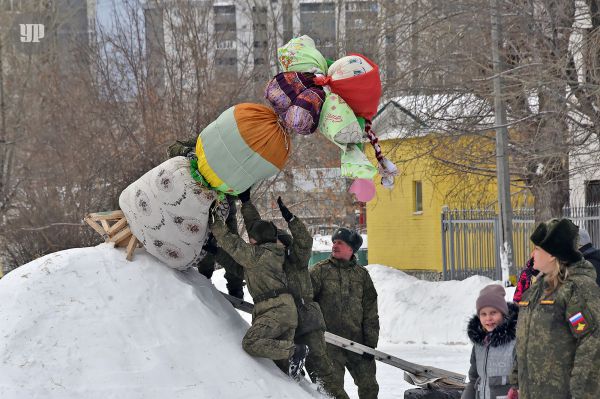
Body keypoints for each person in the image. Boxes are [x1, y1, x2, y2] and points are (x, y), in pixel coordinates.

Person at [240, 193, 350, 399]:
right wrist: (246, 203)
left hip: (306, 318)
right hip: (285, 318)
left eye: (278, 242)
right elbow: (255, 226)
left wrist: (291, 219)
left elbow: (304, 240)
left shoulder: (295, 257)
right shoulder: (268, 258)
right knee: (286, 376)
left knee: (322, 374)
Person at [208, 203, 308, 378]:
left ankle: (295, 351)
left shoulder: (257, 255)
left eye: (251, 237)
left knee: (251, 342)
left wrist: (215, 221)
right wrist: (215, 251)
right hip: (285, 311)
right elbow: (239, 269)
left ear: (258, 239)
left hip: (275, 310)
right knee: (280, 371)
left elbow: (232, 243)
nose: (249, 240)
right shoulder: (270, 255)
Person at [509, 218, 600, 399]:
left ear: (552, 254)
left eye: (537, 249)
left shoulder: (576, 289)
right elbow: (525, 339)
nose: (532, 254)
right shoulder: (536, 290)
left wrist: (583, 394)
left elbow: (590, 343)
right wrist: (516, 384)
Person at [166, 138, 245, 298]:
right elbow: (173, 148)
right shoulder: (205, 140)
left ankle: (236, 291)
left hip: (226, 206)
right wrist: (188, 153)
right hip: (204, 205)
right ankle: (204, 286)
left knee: (234, 249)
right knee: (206, 249)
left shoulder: (238, 153)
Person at [310, 227, 379, 399]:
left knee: (370, 387)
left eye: (340, 242)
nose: (335, 245)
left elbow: (371, 310)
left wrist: (370, 343)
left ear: (351, 248)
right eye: (334, 242)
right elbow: (306, 301)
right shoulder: (319, 271)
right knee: (333, 392)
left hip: (358, 343)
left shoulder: (362, 275)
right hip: (329, 343)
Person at [461, 285, 518, 399]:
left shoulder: (515, 342)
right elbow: (474, 379)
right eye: (483, 314)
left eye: (493, 313)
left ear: (503, 313)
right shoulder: (479, 344)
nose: (488, 318)